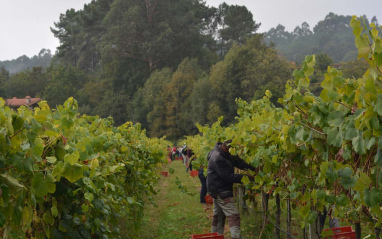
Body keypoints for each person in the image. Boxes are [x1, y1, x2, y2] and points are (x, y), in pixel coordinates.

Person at [207, 139, 256, 239]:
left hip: (216, 188)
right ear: (226, 148)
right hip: (220, 190)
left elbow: (238, 161)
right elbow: (228, 177)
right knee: (233, 215)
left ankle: (215, 236)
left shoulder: (226, 153)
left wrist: (253, 168)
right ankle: (236, 237)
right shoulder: (218, 158)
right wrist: (248, 178)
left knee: (219, 215)